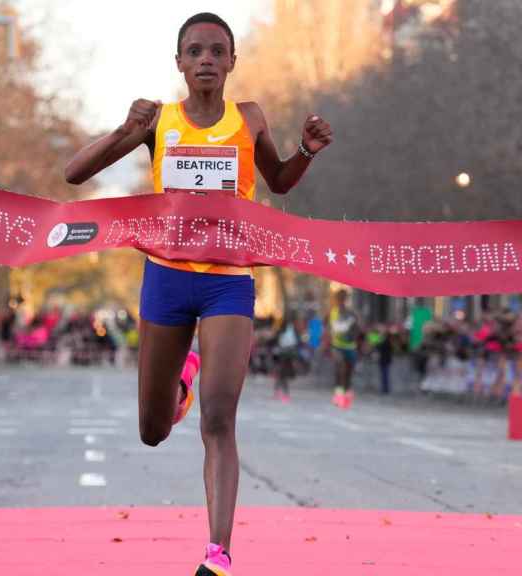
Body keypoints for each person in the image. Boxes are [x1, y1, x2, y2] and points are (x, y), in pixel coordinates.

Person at [63, 12, 332, 575]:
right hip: (166, 277)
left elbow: (278, 181)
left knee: (219, 418)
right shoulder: (158, 120)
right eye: (195, 51)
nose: (206, 59)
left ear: (232, 62)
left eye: (217, 51)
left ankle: (218, 553)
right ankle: (179, 384)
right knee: (153, 430)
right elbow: (74, 175)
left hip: (228, 283)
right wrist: (122, 131)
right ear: (179, 63)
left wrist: (305, 152)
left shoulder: (248, 117)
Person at [329, 290, 360, 408]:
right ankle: (338, 395)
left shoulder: (352, 313)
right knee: (340, 368)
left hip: (350, 346)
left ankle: (346, 395)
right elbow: (335, 329)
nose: (341, 301)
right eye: (339, 298)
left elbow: (357, 327)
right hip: (337, 345)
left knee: (348, 373)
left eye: (344, 298)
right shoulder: (334, 312)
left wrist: (354, 328)